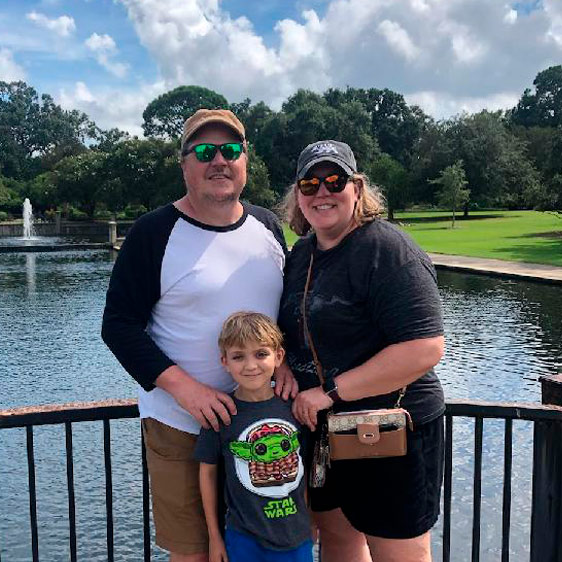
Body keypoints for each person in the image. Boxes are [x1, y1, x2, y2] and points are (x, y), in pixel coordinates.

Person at [101, 109, 297, 562]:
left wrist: (282, 361)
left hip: (261, 425)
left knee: (264, 547)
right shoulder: (153, 233)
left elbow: (282, 312)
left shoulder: (267, 226)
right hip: (182, 427)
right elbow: (118, 326)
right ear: (185, 164)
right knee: (194, 553)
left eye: (230, 150)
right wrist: (187, 390)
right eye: (205, 151)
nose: (219, 161)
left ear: (245, 161)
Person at [277, 140, 445, 562]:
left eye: (334, 180)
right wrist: (281, 365)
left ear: (357, 187)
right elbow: (297, 327)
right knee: (339, 540)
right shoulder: (302, 254)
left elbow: (423, 348)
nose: (322, 192)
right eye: (309, 184)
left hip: (388, 430)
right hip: (325, 433)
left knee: (397, 552)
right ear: (298, 195)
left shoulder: (387, 250)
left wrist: (329, 392)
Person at [195, 311, 313, 562]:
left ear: (278, 356)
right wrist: (214, 537)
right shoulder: (221, 414)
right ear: (225, 361)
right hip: (244, 538)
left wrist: (308, 520)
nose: (250, 366)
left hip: (296, 536)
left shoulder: (294, 407)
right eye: (239, 356)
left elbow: (305, 466)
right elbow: (207, 473)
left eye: (261, 354)